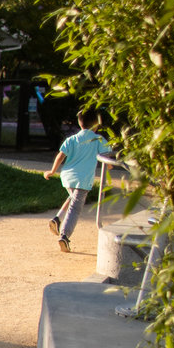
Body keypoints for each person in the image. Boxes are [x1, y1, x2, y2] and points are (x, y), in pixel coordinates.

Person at [43, 108, 110, 252]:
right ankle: (64, 236)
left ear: (80, 123)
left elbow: (61, 156)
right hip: (83, 178)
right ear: (96, 124)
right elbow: (107, 158)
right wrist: (110, 165)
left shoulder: (72, 139)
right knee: (75, 208)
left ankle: (57, 219)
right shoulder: (98, 139)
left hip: (68, 176)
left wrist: (52, 171)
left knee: (73, 198)